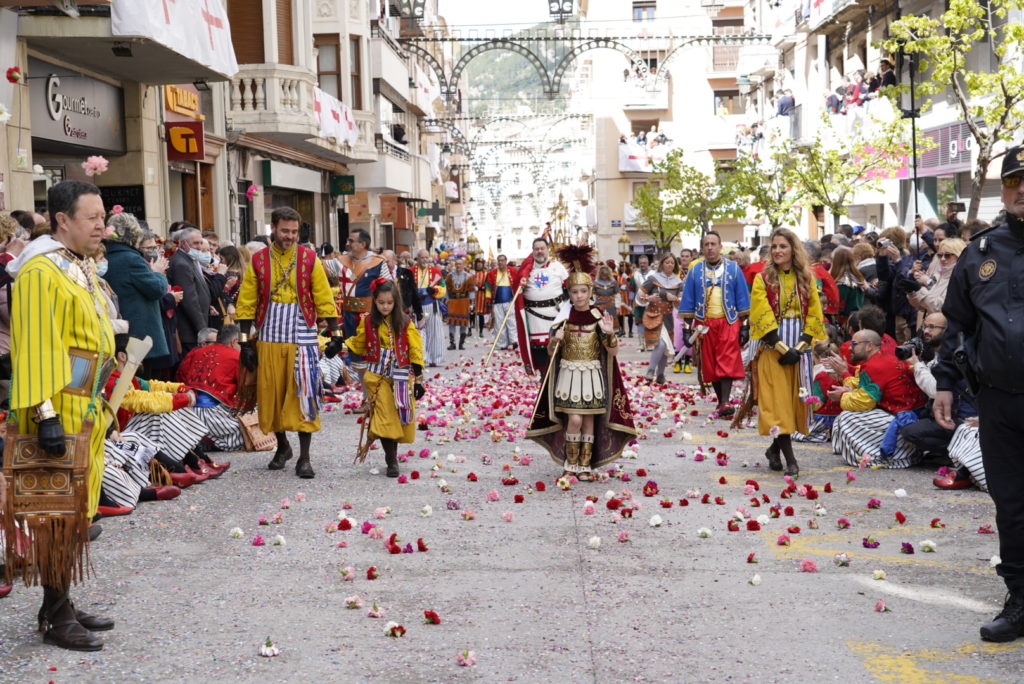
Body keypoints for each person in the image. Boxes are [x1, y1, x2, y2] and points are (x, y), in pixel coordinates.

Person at [4, 180, 116, 651]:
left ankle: (59, 603)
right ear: (62, 221)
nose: (101, 226)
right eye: (92, 218)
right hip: (58, 407)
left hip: (84, 404)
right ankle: (55, 614)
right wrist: (46, 414)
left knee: (74, 512)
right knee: (56, 515)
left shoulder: (76, 265)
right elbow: (35, 345)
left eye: (102, 217)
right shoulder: (39, 272)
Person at [933, 145, 1024, 642]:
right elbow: (958, 325)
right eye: (1015, 181)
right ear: (1004, 189)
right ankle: (1020, 601)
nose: (1023, 189)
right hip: (1000, 400)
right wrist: (945, 382)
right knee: (1011, 504)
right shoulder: (981, 252)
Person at [235, 207, 342, 479]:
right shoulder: (258, 261)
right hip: (269, 335)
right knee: (271, 394)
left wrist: (335, 333)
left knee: (304, 393)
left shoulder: (309, 258)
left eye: (294, 232)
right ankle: (282, 446)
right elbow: (246, 301)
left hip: (303, 335)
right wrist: (246, 343)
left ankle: (304, 458)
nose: (290, 236)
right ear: (273, 228)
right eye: (285, 231)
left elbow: (322, 295)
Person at [526, 245, 636, 480]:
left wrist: (609, 333)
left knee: (589, 421)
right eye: (574, 292)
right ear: (570, 294)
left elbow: (612, 352)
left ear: (590, 292)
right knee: (574, 419)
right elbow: (552, 352)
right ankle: (570, 462)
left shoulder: (598, 317)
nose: (579, 296)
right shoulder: (563, 319)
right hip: (569, 375)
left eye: (583, 291)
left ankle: (584, 465)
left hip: (592, 375)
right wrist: (555, 340)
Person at [741, 228, 828, 478]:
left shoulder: (806, 278)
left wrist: (800, 347)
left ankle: (773, 450)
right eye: (774, 246)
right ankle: (792, 461)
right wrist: (781, 347)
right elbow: (761, 314)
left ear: (793, 250)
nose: (777, 251)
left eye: (783, 246)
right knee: (777, 407)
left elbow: (814, 312)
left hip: (798, 351)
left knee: (791, 406)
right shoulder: (762, 279)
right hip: (772, 349)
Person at [343, 280, 425, 477]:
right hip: (375, 377)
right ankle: (391, 460)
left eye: (389, 302)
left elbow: (415, 349)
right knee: (385, 415)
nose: (385, 306)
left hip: (401, 377)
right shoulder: (368, 322)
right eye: (381, 303)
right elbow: (359, 343)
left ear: (395, 302)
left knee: (399, 416)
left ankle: (392, 455)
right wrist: (338, 343)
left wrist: (419, 380)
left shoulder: (405, 322)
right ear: (375, 301)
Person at [829, 329, 926, 468]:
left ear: (869, 346)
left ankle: (885, 457)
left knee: (846, 418)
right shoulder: (883, 356)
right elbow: (866, 387)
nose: (850, 348)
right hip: (909, 414)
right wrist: (845, 377)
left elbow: (862, 403)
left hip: (905, 419)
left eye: (854, 344)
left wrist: (842, 394)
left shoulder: (876, 365)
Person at [679, 232, 750, 415]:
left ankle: (725, 402)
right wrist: (687, 330)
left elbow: (742, 298)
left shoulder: (734, 269)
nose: (710, 247)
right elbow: (688, 301)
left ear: (720, 247)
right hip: (704, 325)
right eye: (706, 244)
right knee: (710, 366)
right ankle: (721, 401)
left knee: (726, 361)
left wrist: (745, 326)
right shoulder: (695, 270)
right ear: (702, 248)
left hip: (729, 322)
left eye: (713, 244)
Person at [898, 313, 976, 470]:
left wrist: (917, 365)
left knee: (911, 432)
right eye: (925, 326)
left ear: (948, 330)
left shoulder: (958, 356)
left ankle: (953, 453)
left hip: (964, 420)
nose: (926, 331)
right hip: (949, 415)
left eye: (932, 327)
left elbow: (936, 389)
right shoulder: (938, 354)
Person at [176, 323, 246, 453]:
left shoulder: (195, 352)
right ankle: (210, 440)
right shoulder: (236, 357)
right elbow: (244, 388)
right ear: (234, 341)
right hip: (212, 414)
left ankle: (199, 438)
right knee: (247, 433)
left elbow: (181, 375)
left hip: (186, 411)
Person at [515, 237, 569, 375]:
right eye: (536, 249)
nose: (539, 251)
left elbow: (569, 287)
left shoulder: (557, 267)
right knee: (539, 349)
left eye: (542, 248)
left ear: (547, 250)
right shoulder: (526, 270)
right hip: (534, 318)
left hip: (555, 316)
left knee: (558, 345)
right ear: (532, 251)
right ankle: (543, 375)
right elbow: (515, 291)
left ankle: (559, 374)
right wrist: (519, 284)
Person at [337, 229, 391, 340]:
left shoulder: (379, 262)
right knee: (351, 350)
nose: (347, 244)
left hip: (370, 315)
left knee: (370, 350)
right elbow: (320, 268)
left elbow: (389, 289)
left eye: (351, 241)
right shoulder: (341, 261)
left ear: (362, 244)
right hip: (348, 316)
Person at [639, 254, 682, 385]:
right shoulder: (653, 279)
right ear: (662, 263)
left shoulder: (678, 282)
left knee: (665, 348)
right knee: (661, 344)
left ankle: (661, 375)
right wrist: (649, 298)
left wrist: (674, 299)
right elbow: (639, 296)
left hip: (668, 317)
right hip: (653, 315)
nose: (669, 265)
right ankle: (650, 371)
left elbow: (680, 303)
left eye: (672, 263)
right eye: (667, 262)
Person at [168, 226, 212, 355]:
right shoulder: (181, 263)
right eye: (195, 243)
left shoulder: (189, 260)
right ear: (183, 244)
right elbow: (190, 301)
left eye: (200, 243)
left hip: (194, 330)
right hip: (189, 331)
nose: (199, 247)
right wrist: (203, 331)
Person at [414, 249, 447, 366]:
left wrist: (435, 290)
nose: (424, 260)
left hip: (431, 305)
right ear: (417, 258)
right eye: (422, 257)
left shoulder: (435, 271)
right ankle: (422, 358)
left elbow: (443, 289)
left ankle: (435, 358)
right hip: (416, 307)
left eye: (426, 257)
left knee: (435, 333)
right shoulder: (411, 271)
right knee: (419, 333)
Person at [486, 254, 519, 351]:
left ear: (505, 261)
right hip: (497, 301)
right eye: (499, 260)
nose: (500, 262)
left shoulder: (513, 271)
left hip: (510, 300)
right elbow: (488, 288)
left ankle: (514, 341)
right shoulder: (492, 273)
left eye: (502, 260)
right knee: (499, 323)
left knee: (511, 321)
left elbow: (517, 284)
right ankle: (502, 343)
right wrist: (488, 300)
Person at [830, 245, 867, 326]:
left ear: (835, 261)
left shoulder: (843, 283)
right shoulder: (857, 277)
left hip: (845, 322)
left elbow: (840, 307)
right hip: (857, 319)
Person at [444, 258, 475, 351]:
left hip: (464, 301)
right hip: (453, 300)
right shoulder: (450, 276)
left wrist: (472, 303)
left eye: (460, 264)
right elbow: (447, 289)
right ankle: (452, 343)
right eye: (456, 264)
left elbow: (471, 290)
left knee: (463, 323)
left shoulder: (468, 276)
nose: (458, 266)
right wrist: (446, 300)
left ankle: (461, 343)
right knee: (451, 323)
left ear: (464, 265)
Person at [630, 255, 653, 351]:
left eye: (644, 263)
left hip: (651, 302)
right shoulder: (635, 275)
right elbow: (632, 290)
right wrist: (630, 303)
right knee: (639, 323)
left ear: (648, 263)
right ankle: (641, 343)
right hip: (638, 302)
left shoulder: (653, 274)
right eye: (641, 263)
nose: (642, 265)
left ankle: (650, 343)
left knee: (651, 323)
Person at [470, 257, 490, 337]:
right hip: (472, 295)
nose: (479, 266)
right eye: (477, 264)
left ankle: (481, 331)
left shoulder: (486, 274)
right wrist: (472, 286)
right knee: (470, 312)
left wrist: (482, 287)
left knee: (481, 314)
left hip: (481, 296)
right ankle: (469, 330)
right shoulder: (471, 273)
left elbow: (488, 284)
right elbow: (468, 282)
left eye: (480, 264)